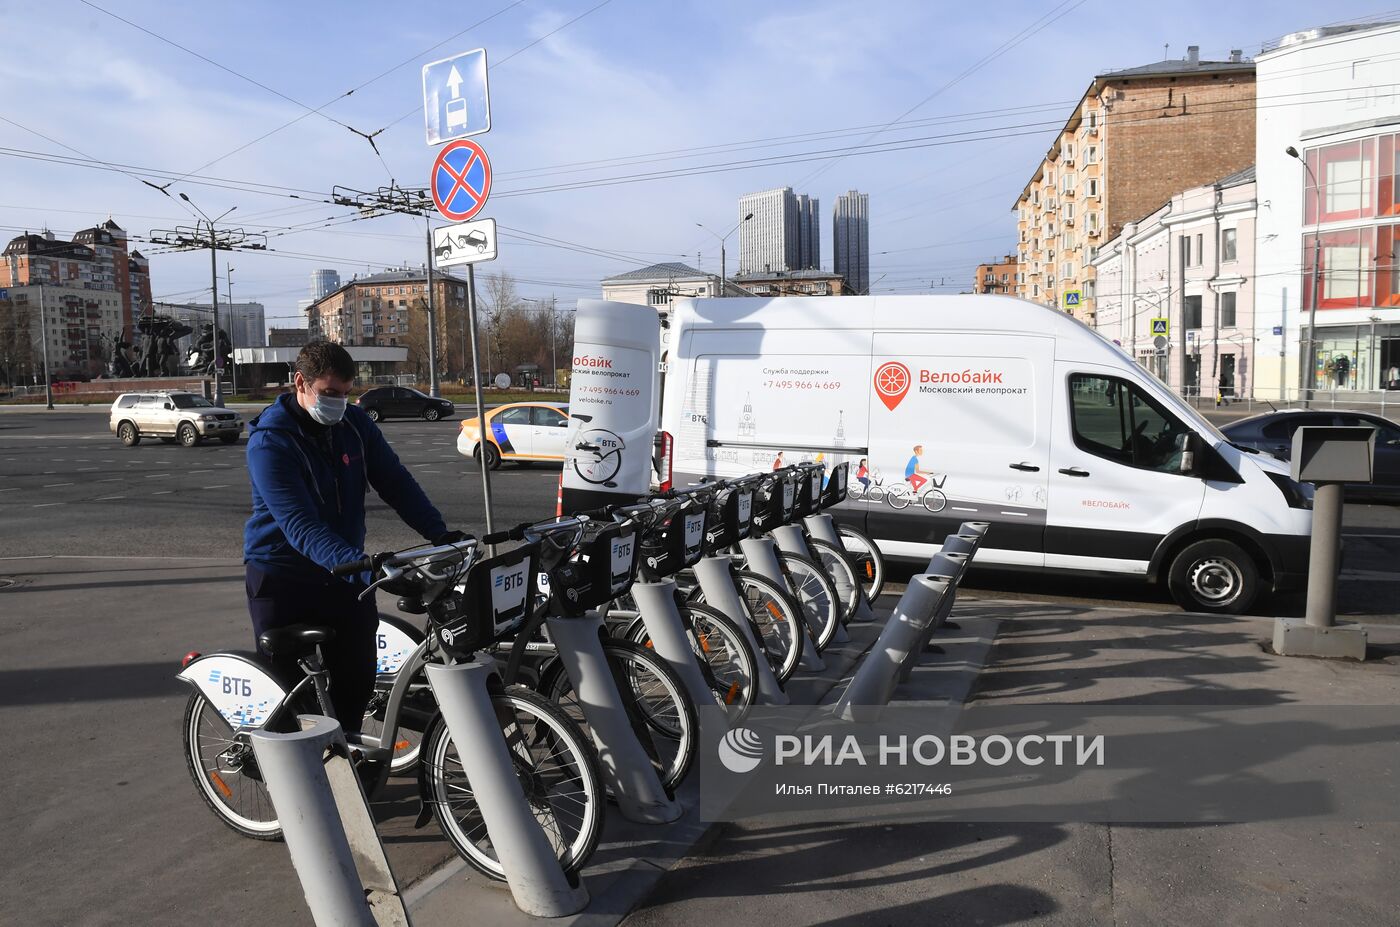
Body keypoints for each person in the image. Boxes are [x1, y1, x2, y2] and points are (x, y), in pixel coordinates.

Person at [243, 341, 461, 731]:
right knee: (289, 704)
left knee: (356, 682)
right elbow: (300, 526)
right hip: (282, 577)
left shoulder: (355, 425)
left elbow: (395, 482)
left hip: (344, 574)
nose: (339, 403)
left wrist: (440, 534)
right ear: (300, 383)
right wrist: (370, 572)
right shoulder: (271, 442)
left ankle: (346, 762)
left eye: (346, 394)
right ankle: (284, 776)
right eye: (329, 394)